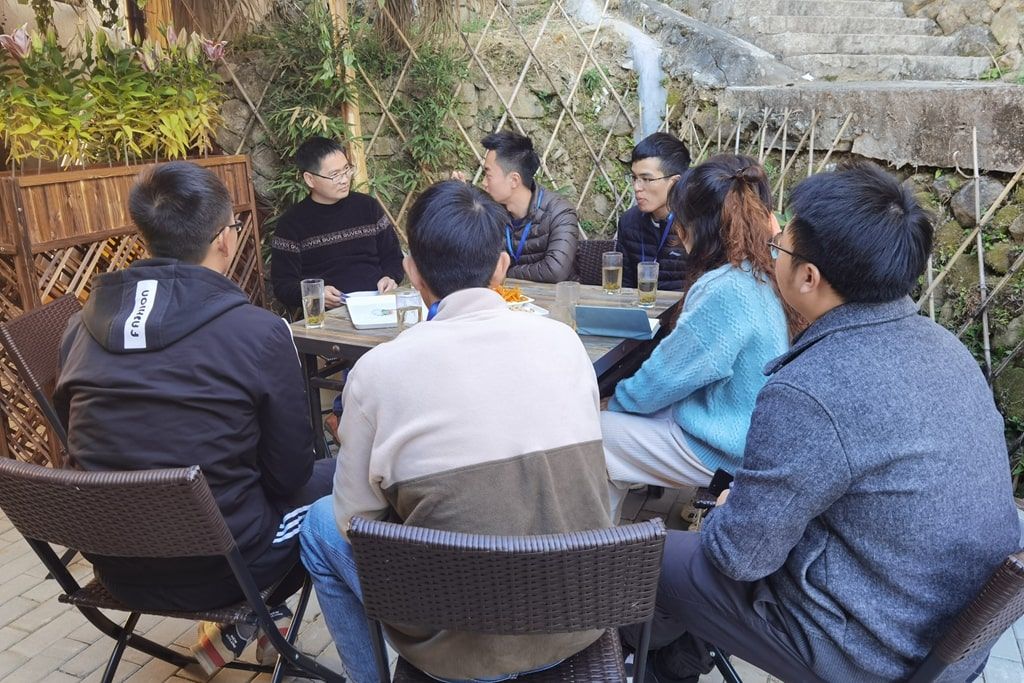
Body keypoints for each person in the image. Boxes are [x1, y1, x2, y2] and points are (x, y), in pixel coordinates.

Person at [632, 161, 1020, 682]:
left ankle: (641, 662)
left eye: (779, 248)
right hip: (949, 643)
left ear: (808, 277)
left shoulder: (810, 387)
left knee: (652, 558)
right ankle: (679, 660)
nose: (772, 253)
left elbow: (740, 558)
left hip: (873, 650)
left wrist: (726, 510)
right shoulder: (945, 348)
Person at [299, 180, 611, 683]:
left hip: (456, 647)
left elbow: (352, 523)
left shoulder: (377, 373)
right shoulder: (565, 342)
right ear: (502, 267)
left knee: (318, 525)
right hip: (579, 617)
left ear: (411, 272)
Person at [54, 161, 333, 674]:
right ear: (225, 238)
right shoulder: (259, 333)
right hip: (226, 570)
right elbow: (290, 475)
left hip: (115, 568)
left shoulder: (78, 328)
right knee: (338, 479)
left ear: (146, 237)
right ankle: (267, 620)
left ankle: (254, 626)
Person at [602, 155, 797, 521]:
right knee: (620, 432)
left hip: (725, 449)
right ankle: (609, 537)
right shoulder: (766, 266)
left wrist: (614, 403)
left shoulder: (726, 289)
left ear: (696, 226)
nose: (677, 231)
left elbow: (664, 378)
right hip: (751, 431)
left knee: (592, 437)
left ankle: (596, 546)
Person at [270, 136, 404, 310]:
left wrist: (390, 277)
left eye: (346, 170)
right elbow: (283, 285)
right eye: (335, 175)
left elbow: (393, 257)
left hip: (378, 303)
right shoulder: (291, 224)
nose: (344, 179)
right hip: (330, 313)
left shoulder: (368, 207)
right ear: (310, 179)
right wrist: (316, 294)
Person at [456, 131, 578, 283]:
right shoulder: (492, 211)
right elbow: (471, 261)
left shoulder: (560, 213)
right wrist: (461, 204)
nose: (484, 183)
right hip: (504, 296)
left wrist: (503, 272)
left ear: (514, 180)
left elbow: (554, 271)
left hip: (555, 297)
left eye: (488, 175)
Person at [617, 132, 691, 291]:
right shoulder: (628, 222)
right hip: (641, 305)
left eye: (647, 179)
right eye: (634, 178)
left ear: (675, 182)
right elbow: (625, 287)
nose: (637, 187)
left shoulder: (697, 225)